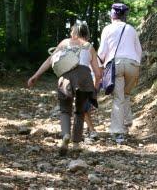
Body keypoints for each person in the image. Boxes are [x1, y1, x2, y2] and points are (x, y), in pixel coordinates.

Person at [27, 22, 101, 155]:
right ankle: (76, 143)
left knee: (65, 110)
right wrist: (94, 89)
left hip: (66, 77)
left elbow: (50, 60)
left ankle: (66, 135)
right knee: (80, 111)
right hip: (84, 78)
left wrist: (35, 76)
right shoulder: (90, 47)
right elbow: (98, 73)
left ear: (73, 32)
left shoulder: (64, 43)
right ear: (87, 34)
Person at [97, 2, 142, 144]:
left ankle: (118, 132)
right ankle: (127, 120)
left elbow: (102, 52)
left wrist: (99, 68)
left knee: (118, 98)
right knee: (126, 95)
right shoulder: (131, 29)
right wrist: (136, 65)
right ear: (124, 16)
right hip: (132, 64)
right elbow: (139, 51)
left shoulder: (107, 29)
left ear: (112, 14)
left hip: (116, 65)